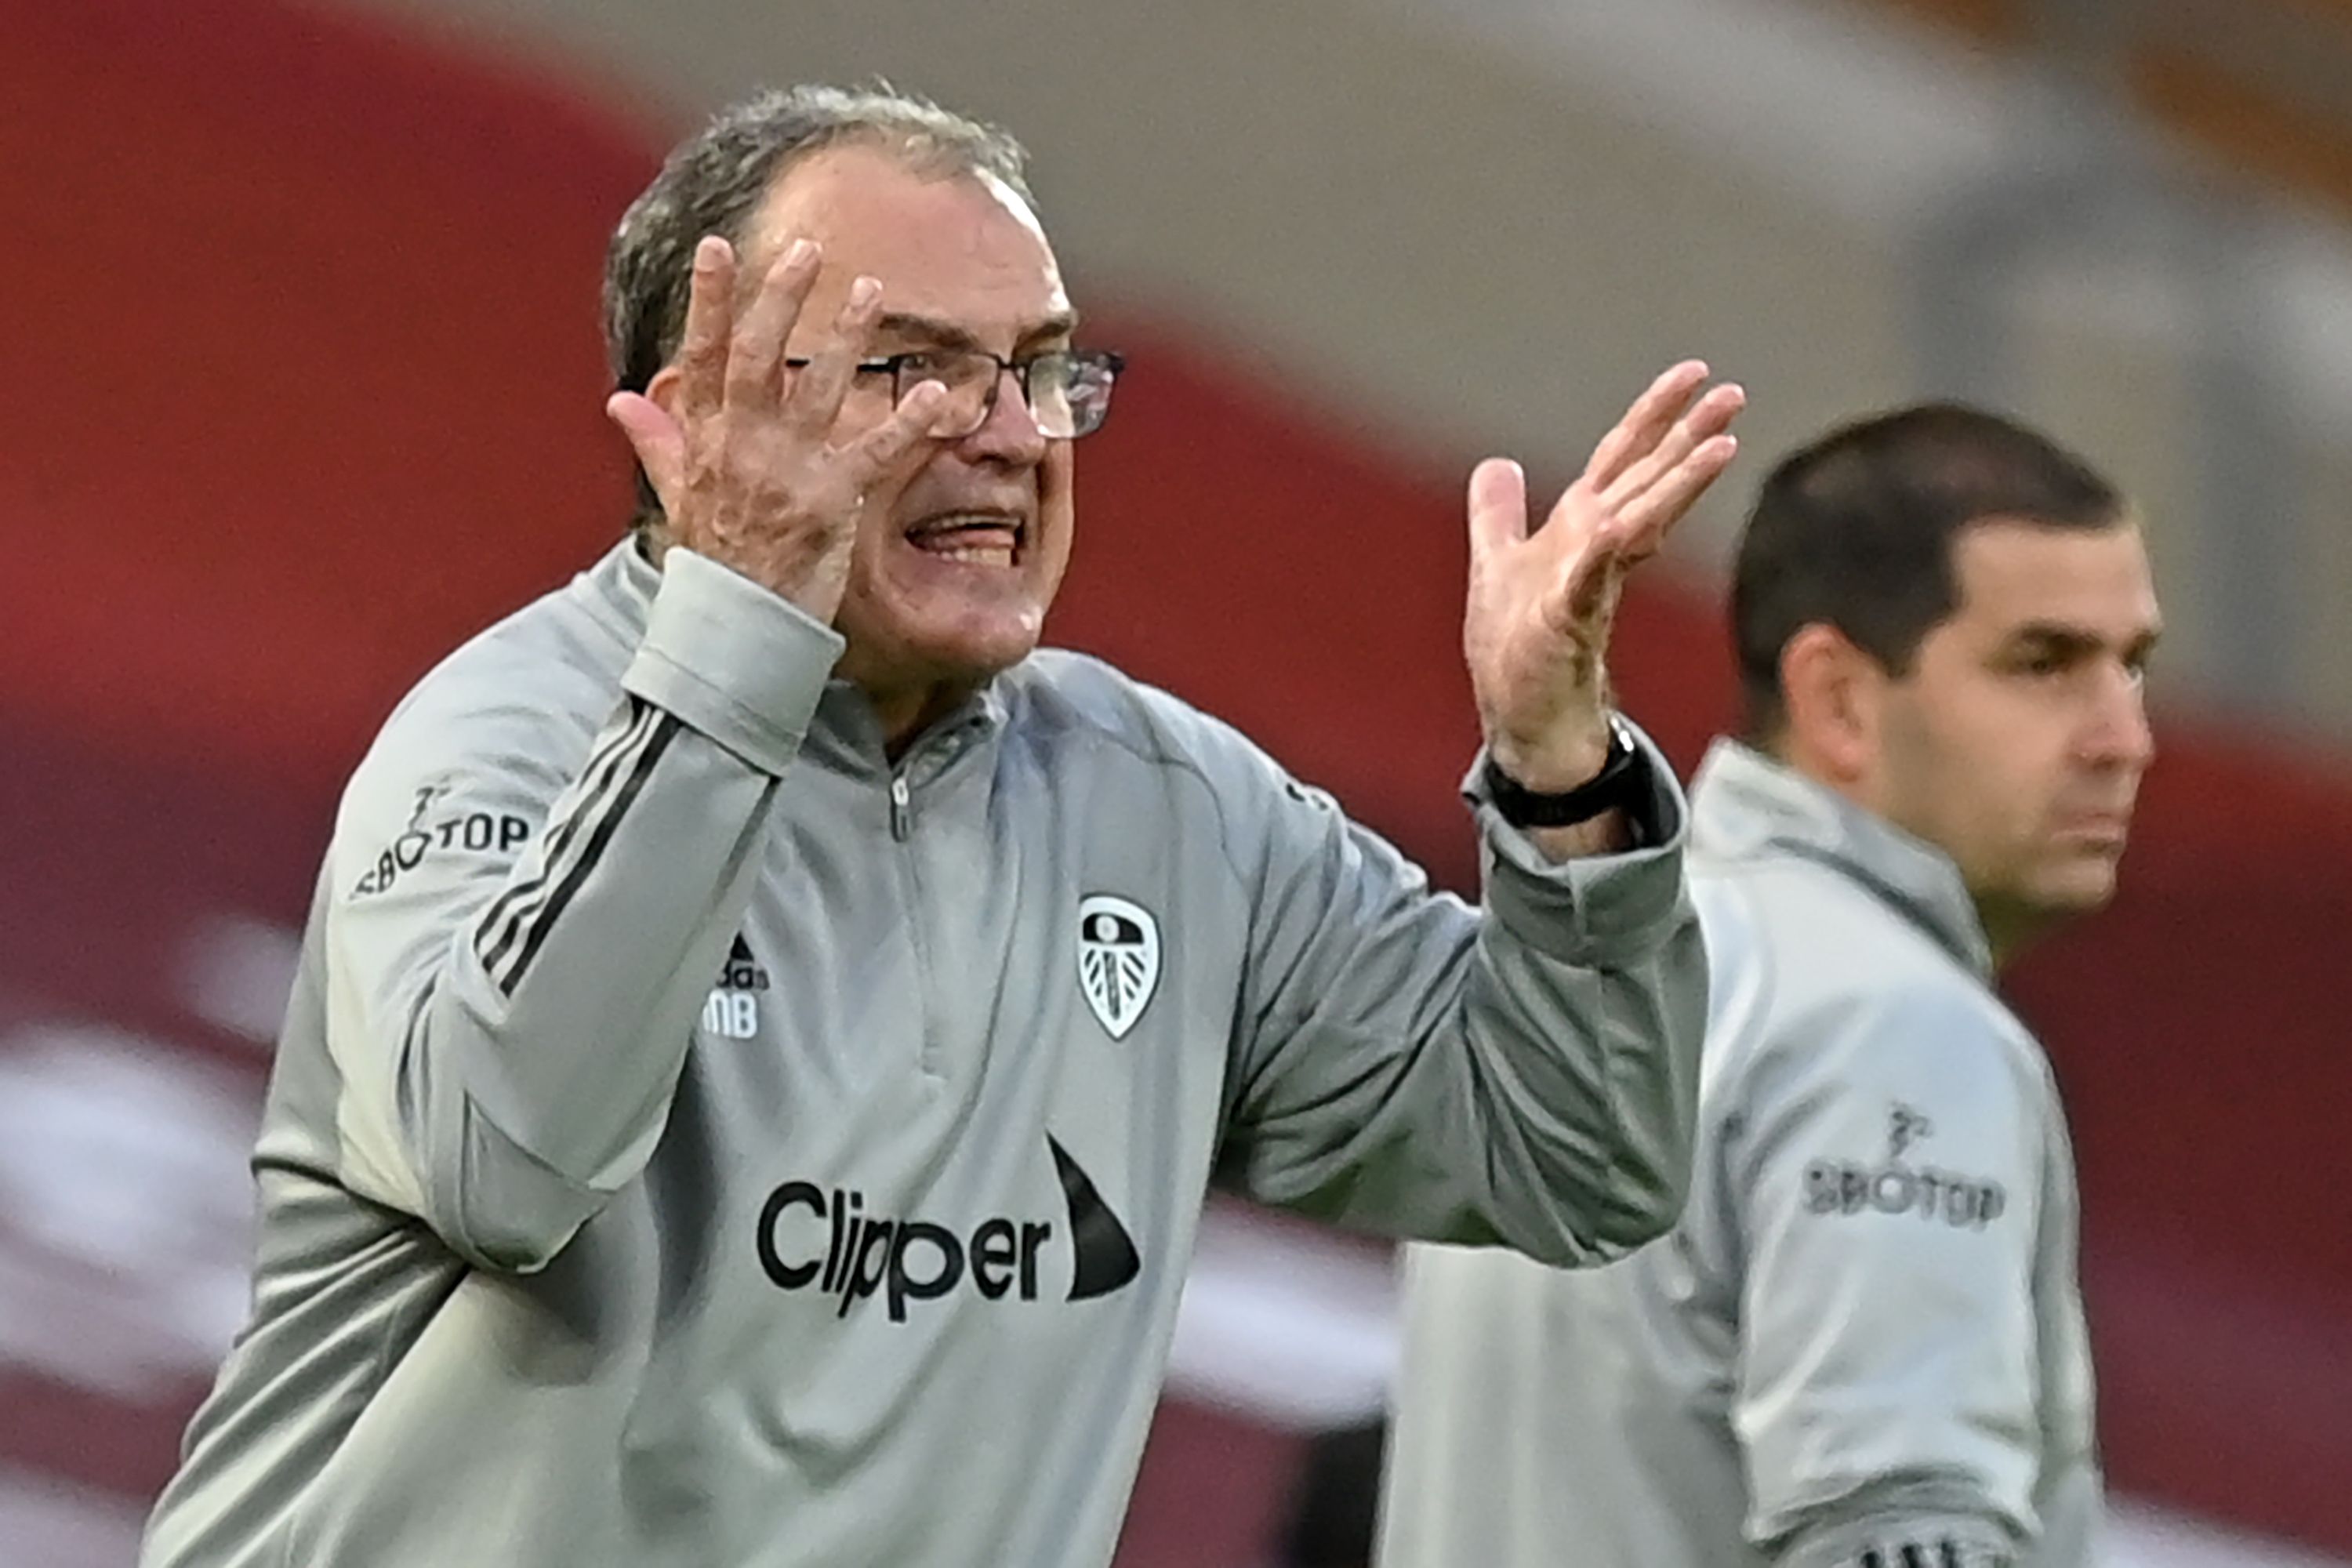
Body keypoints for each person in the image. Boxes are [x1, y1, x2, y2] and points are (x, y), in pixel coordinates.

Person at [139, 83, 1743, 1568]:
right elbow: (506, 1163)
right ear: (696, 424)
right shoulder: (508, 742)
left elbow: (1580, 1158)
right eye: (910, 371)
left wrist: (1561, 774)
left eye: (1039, 369)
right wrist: (740, 643)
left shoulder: (1172, 812)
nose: (1011, 433)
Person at [1378, 405, 2161, 1568]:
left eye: (2132, 666)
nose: (2124, 739)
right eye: (2043, 665)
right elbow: (1893, 1531)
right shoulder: (1889, 1026)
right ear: (1837, 698)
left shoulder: (1572, 976)